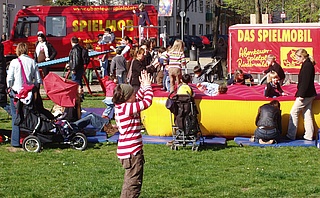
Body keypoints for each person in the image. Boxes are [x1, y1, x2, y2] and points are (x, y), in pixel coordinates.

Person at [112, 71, 153, 198]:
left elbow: (139, 98)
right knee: (132, 184)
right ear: (128, 97)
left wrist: (142, 87)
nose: (136, 94)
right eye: (133, 93)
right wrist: (147, 87)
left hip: (129, 152)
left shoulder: (123, 106)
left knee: (132, 181)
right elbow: (147, 102)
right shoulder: (126, 108)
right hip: (132, 153)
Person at [6, 42, 42, 147]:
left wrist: (9, 88)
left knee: (16, 117)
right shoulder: (32, 62)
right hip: (29, 93)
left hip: (17, 93)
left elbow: (10, 79)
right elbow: (38, 80)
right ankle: (30, 136)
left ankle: (15, 141)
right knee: (29, 116)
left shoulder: (14, 62)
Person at [286, 49, 317, 141]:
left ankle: (291, 134)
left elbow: (306, 82)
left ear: (301, 57)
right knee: (307, 113)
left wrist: (301, 95)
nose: (296, 59)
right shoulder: (308, 65)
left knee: (293, 112)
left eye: (297, 57)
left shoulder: (307, 66)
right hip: (310, 94)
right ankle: (309, 135)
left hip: (306, 95)